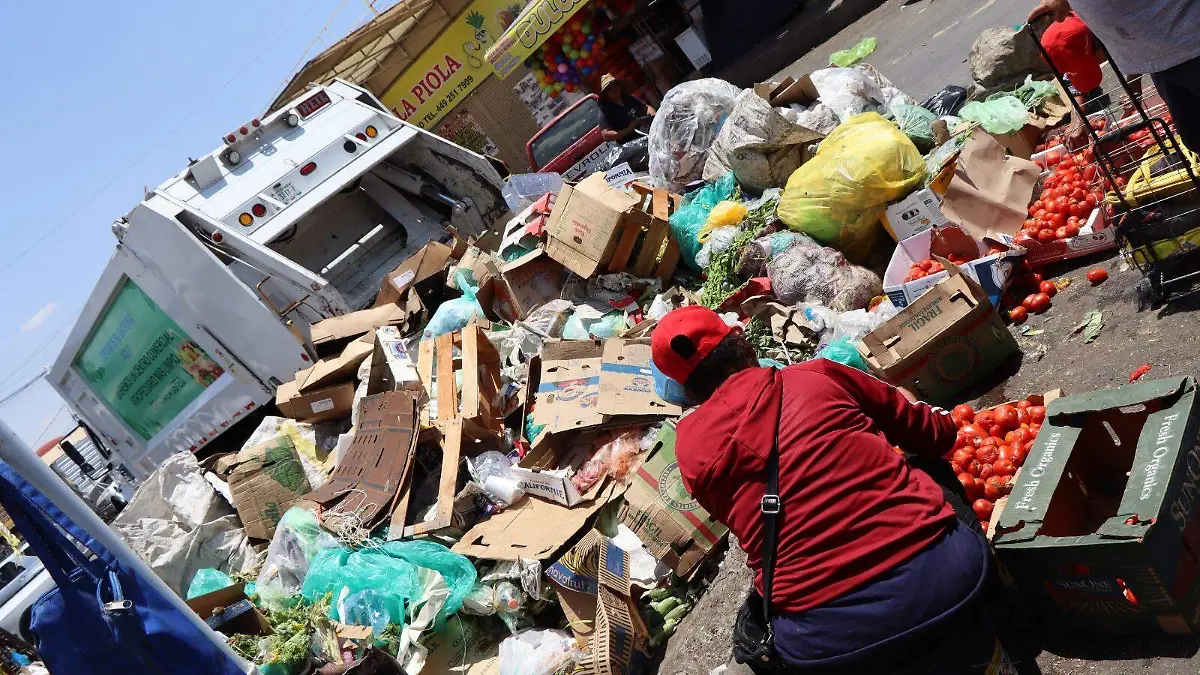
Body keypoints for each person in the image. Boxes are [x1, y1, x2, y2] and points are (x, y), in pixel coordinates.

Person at [650, 306, 996, 673]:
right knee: (928, 462)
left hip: (824, 644)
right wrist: (912, 404)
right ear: (740, 341)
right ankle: (1000, 608)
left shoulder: (687, 451)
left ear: (685, 389)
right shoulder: (818, 376)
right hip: (946, 582)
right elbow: (935, 435)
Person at [1029, 0, 1200, 151]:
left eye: (1091, 63)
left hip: (1190, 40)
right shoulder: (1093, 27)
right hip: (1164, 58)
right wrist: (1078, 116)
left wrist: (1133, 84)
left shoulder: (1106, 28)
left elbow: (1140, 36)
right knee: (1193, 136)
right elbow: (1139, 44)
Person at [597, 73, 655, 143]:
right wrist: (628, 129)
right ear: (606, 94)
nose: (614, 89)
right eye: (609, 88)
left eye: (615, 85)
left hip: (647, 134)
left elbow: (645, 107)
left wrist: (651, 112)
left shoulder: (629, 98)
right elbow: (606, 135)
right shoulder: (605, 111)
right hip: (630, 145)